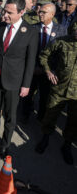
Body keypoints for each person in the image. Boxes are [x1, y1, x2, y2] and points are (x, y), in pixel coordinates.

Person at [0, 0, 38, 159]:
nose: (5, 15)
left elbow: (30, 60)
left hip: (14, 80)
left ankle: (5, 144)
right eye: (5, 11)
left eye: (9, 13)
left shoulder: (31, 32)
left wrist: (26, 85)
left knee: (10, 115)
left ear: (22, 12)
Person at [35, 24, 77, 165]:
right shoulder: (62, 41)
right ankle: (45, 138)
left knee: (73, 121)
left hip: (76, 94)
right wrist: (48, 71)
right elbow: (44, 55)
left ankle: (67, 145)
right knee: (50, 115)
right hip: (59, 88)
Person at [21, 3, 67, 122]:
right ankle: (25, 115)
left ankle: (41, 117)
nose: (40, 14)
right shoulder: (33, 28)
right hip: (33, 69)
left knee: (45, 96)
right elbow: (26, 50)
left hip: (50, 72)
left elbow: (62, 54)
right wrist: (33, 67)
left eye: (43, 12)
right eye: (40, 11)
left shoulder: (61, 30)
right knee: (28, 95)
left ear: (52, 14)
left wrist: (51, 70)